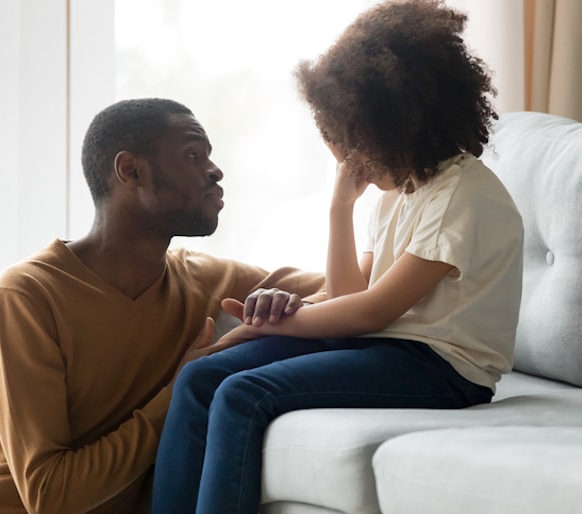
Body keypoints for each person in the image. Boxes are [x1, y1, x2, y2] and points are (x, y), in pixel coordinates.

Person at [149, 1, 525, 513]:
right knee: (199, 380)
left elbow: (372, 311)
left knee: (244, 395)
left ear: (399, 127)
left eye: (358, 148)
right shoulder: (402, 193)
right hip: (383, 348)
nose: (352, 163)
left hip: (442, 369)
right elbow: (350, 297)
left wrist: (279, 324)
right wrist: (340, 208)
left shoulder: (464, 197)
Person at [0, 98, 325, 514]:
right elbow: (51, 497)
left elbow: (354, 292)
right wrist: (181, 389)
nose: (215, 170)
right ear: (130, 170)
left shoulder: (210, 281)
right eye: (193, 154)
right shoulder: (26, 296)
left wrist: (287, 305)